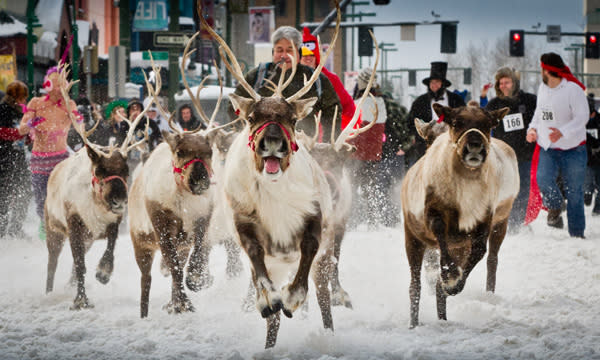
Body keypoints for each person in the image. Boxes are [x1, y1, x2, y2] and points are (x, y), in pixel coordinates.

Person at [231, 25, 341, 140]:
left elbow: (332, 112)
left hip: (304, 147)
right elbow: (236, 106)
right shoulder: (257, 76)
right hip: (261, 145)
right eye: (279, 50)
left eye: (290, 50)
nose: (284, 55)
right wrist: (243, 137)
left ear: (299, 53)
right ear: (273, 52)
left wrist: (329, 143)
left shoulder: (315, 79)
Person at [526, 52, 589, 238]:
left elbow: (582, 117)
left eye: (541, 68)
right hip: (549, 148)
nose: (540, 72)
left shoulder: (573, 90)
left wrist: (563, 131)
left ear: (547, 70)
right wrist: (532, 129)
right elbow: (540, 114)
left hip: (574, 149)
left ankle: (577, 233)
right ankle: (555, 205)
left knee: (575, 191)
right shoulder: (543, 88)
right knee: (543, 180)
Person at [18, 65, 75, 239]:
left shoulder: (69, 104)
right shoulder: (35, 103)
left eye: (61, 84)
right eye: (55, 84)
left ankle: (63, 227)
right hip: (39, 160)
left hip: (61, 159)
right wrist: (30, 124)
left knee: (64, 196)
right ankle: (45, 226)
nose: (58, 89)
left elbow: (80, 127)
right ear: (47, 84)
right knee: (42, 198)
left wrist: (78, 120)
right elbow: (21, 130)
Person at [485, 67, 537, 233]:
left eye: (506, 82)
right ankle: (504, 222)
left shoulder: (529, 100)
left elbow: (542, 116)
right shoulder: (494, 104)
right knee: (504, 190)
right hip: (502, 156)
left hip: (525, 154)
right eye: (500, 83)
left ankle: (518, 223)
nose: (503, 86)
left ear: (514, 83)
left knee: (522, 189)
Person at [404, 61, 465, 168]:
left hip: (452, 144)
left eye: (437, 82)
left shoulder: (456, 100)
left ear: (443, 84)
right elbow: (410, 123)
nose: (434, 85)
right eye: (432, 83)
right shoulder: (419, 102)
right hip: (426, 147)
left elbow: (464, 120)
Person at [300, 27, 359, 137]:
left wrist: (340, 133)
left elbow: (348, 108)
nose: (308, 58)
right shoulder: (290, 79)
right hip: (299, 139)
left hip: (325, 138)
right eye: (304, 55)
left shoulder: (330, 79)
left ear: (317, 56)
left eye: (311, 54)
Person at [0, 80, 32, 239]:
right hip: (4, 159)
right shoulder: (3, 110)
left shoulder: (21, 113)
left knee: (25, 191)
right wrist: (18, 133)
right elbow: (2, 132)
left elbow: (24, 135)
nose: (25, 101)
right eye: (23, 97)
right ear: (16, 97)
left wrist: (29, 136)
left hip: (18, 158)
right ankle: (1, 229)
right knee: (4, 196)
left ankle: (15, 228)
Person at [584, 93, 600, 214]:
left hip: (598, 158)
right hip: (586, 159)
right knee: (588, 183)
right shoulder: (580, 122)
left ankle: (598, 208)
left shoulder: (598, 121)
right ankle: (587, 195)